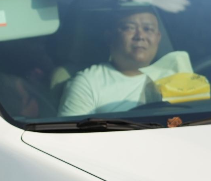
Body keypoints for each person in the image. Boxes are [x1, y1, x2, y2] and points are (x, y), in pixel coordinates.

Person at [59, 7, 194, 116]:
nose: (140, 36)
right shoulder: (88, 83)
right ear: (109, 37)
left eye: (148, 29)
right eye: (129, 28)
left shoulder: (177, 71)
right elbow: (73, 140)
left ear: (158, 38)